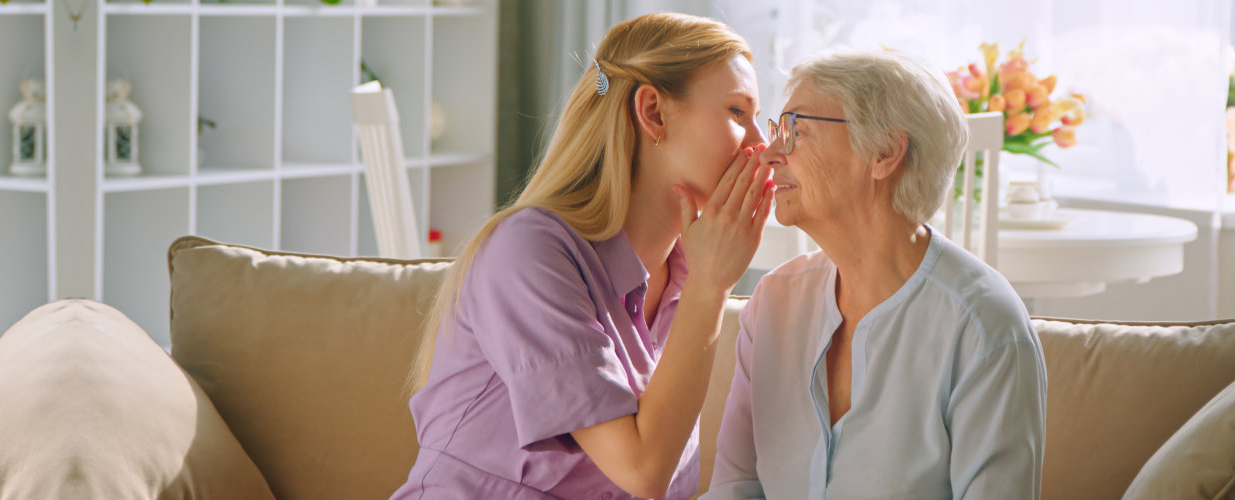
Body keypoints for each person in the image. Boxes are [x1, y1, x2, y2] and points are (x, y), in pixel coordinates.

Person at [394, 12, 773, 500]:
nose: (759, 146)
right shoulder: (528, 252)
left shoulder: (685, 271)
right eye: (737, 113)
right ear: (653, 112)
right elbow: (643, 471)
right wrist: (710, 286)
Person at [704, 51, 1048, 499]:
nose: (768, 154)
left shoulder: (985, 328)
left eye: (795, 131)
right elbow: (737, 487)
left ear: (884, 152)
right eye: (776, 131)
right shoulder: (773, 303)